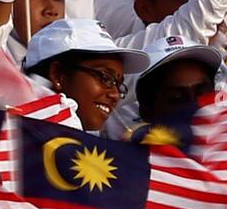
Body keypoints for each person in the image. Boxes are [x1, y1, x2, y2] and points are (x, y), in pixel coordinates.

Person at [22, 18, 150, 133]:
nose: (115, 95)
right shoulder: (23, 133)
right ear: (57, 74)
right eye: (105, 78)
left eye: (118, 84)